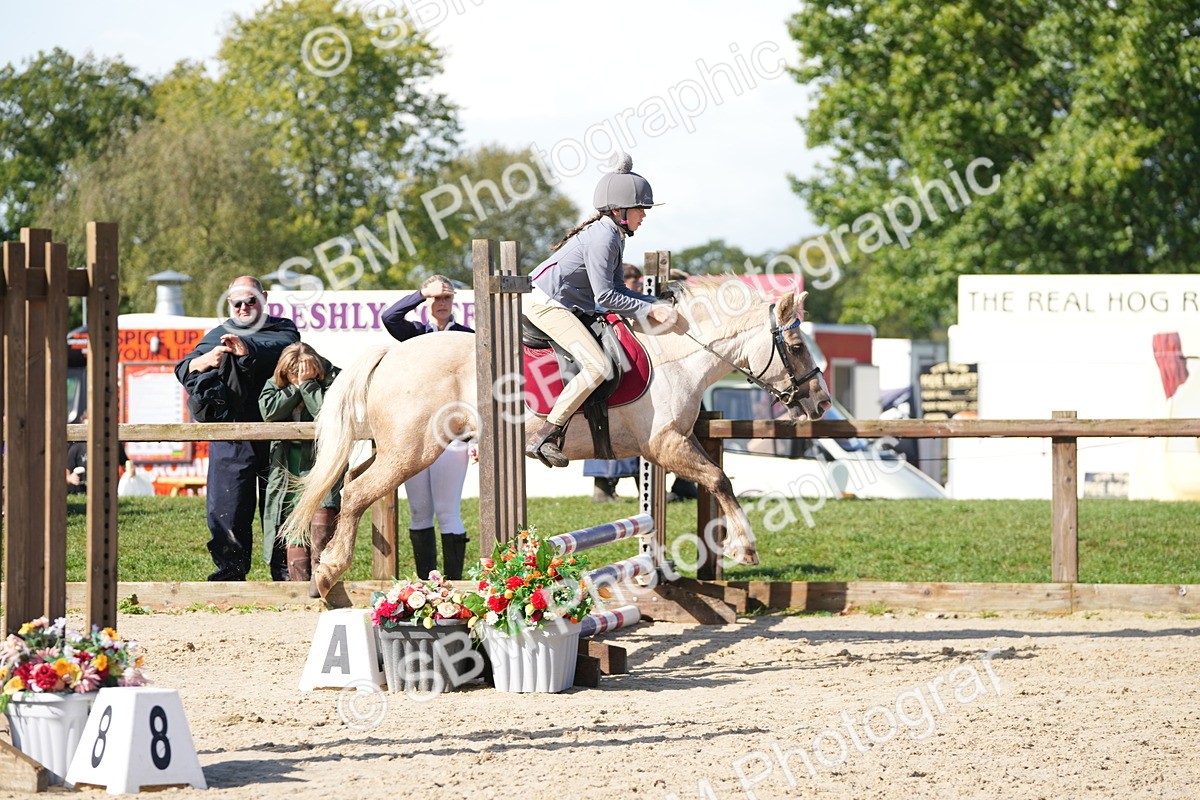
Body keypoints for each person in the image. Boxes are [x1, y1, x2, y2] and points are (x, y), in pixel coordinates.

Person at [524, 153, 687, 468]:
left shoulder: (614, 234)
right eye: (640, 208)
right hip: (546, 304)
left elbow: (620, 290)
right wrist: (650, 311)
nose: (644, 215)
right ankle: (546, 433)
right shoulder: (604, 236)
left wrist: (654, 304)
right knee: (597, 366)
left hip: (566, 302)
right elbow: (607, 296)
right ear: (619, 210)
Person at [174, 276, 299, 581]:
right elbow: (182, 368)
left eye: (251, 300)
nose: (244, 307)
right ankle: (230, 576)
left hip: (277, 436)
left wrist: (246, 348)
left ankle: (287, 576)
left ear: (264, 297)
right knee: (227, 508)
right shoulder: (218, 334)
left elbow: (284, 348)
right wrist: (204, 360)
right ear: (229, 303)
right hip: (232, 436)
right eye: (237, 302)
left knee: (282, 509)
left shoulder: (283, 329)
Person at [380, 275, 474, 579]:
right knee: (419, 511)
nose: (442, 303)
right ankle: (425, 585)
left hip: (454, 435)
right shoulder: (415, 334)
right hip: (418, 434)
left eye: (447, 297)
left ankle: (454, 583)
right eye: (436, 298)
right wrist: (421, 293)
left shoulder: (468, 336)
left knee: (448, 511)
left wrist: (476, 439)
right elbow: (389, 317)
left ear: (454, 300)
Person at [259, 342, 341, 591]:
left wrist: (308, 386)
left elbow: (324, 413)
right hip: (287, 465)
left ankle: (321, 582)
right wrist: (296, 388)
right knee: (293, 523)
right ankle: (299, 588)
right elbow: (268, 412)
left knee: (323, 514)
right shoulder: (276, 383)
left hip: (321, 463)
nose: (297, 376)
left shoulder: (335, 379)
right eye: (292, 373)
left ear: (316, 367)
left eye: (303, 371)